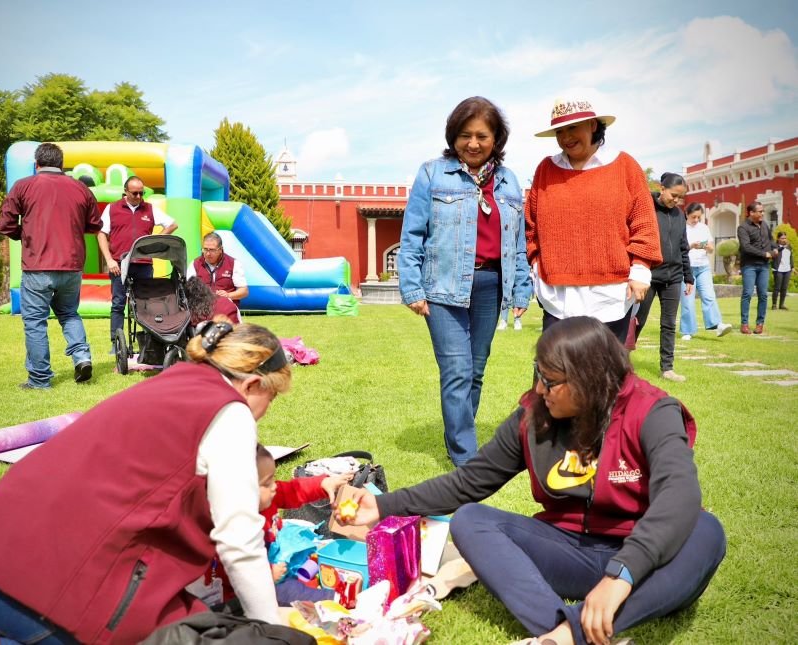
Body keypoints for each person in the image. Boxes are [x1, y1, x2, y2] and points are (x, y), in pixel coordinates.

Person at [340, 316, 726, 645]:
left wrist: (621, 574)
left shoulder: (651, 410)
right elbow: (468, 483)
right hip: (569, 550)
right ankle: (562, 628)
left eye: (551, 380)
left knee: (705, 532)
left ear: (590, 381)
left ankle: (566, 635)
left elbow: (679, 495)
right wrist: (383, 505)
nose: (540, 389)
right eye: (538, 375)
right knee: (472, 520)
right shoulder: (533, 414)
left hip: (642, 555)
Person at [0, 320, 292, 642]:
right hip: (39, 600)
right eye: (272, 398)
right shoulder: (230, 411)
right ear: (253, 384)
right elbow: (238, 539)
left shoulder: (173, 381)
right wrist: (271, 630)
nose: (266, 410)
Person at [398, 96, 532, 467]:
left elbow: (518, 243)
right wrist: (412, 287)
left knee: (475, 370)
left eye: (482, 136)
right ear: (452, 136)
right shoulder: (432, 173)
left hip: (491, 286)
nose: (472, 143)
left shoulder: (508, 181)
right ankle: (466, 458)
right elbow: (412, 235)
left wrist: (521, 286)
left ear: (497, 139)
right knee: (456, 371)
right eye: (464, 135)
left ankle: (459, 436)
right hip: (442, 289)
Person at [526, 98, 662, 344]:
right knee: (555, 373)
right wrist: (536, 265)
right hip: (557, 293)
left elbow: (643, 222)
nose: (566, 136)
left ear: (592, 125)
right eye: (559, 131)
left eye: (572, 127)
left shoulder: (624, 166)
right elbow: (530, 226)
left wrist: (640, 269)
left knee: (606, 375)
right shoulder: (546, 169)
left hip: (611, 293)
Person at [0, 142, 102, 389]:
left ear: (37, 164)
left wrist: (26, 233)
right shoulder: (80, 188)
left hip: (38, 265)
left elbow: (5, 224)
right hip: (72, 265)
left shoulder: (23, 186)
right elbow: (94, 224)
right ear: (61, 164)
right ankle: (82, 357)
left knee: (35, 322)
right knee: (69, 314)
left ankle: (40, 379)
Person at [256, 445, 352, 605]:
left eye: (273, 478)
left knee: (313, 560)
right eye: (266, 483)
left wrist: (323, 483)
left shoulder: (268, 497)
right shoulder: (240, 526)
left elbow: (293, 490)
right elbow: (235, 569)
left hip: (281, 560)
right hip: (262, 583)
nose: (274, 486)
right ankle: (334, 599)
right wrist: (268, 575)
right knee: (294, 593)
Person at [97, 175, 178, 347]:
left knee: (147, 305)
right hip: (119, 264)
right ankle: (116, 344)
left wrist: (155, 241)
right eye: (135, 193)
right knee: (118, 303)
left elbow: (172, 224)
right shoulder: (112, 208)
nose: (139, 197)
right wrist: (109, 260)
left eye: (142, 193)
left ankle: (148, 343)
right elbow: (101, 234)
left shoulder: (149, 208)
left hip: (144, 264)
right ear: (125, 192)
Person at [633, 173, 694, 382]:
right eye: (674, 195)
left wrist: (689, 277)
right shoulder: (646, 208)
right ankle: (621, 361)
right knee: (637, 320)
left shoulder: (679, 215)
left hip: (673, 277)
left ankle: (667, 368)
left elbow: (683, 247)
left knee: (669, 324)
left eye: (680, 198)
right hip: (648, 275)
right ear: (662, 188)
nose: (676, 201)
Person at [679, 203, 732, 339]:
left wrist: (705, 246)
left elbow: (711, 248)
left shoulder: (704, 228)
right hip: (687, 269)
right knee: (688, 300)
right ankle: (687, 331)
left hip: (703, 267)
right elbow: (679, 249)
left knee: (709, 296)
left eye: (698, 217)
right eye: (693, 217)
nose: (696, 220)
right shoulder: (681, 228)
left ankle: (717, 324)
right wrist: (691, 246)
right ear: (687, 214)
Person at [737, 201, 775, 334]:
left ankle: (760, 324)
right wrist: (764, 253)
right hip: (749, 266)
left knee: (763, 295)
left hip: (764, 266)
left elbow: (770, 240)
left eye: (763, 211)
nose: (762, 213)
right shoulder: (743, 228)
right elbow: (746, 247)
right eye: (760, 211)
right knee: (747, 293)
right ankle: (744, 324)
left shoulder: (764, 225)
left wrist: (774, 249)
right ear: (751, 213)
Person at [188, 232, 249, 306]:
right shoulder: (195, 264)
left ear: (220, 250)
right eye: (205, 249)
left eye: (212, 250)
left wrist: (228, 295)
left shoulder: (233, 263)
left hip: (226, 309)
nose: (208, 254)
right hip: (202, 308)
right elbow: (188, 289)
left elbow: (244, 291)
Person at [771, 232, 793, 310]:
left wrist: (792, 267)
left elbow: (791, 257)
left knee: (784, 288)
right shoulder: (775, 246)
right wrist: (783, 247)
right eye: (782, 238)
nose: (784, 240)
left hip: (787, 270)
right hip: (778, 269)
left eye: (785, 238)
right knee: (777, 288)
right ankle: (774, 304)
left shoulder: (789, 247)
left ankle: (781, 305)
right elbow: (774, 254)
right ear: (778, 239)